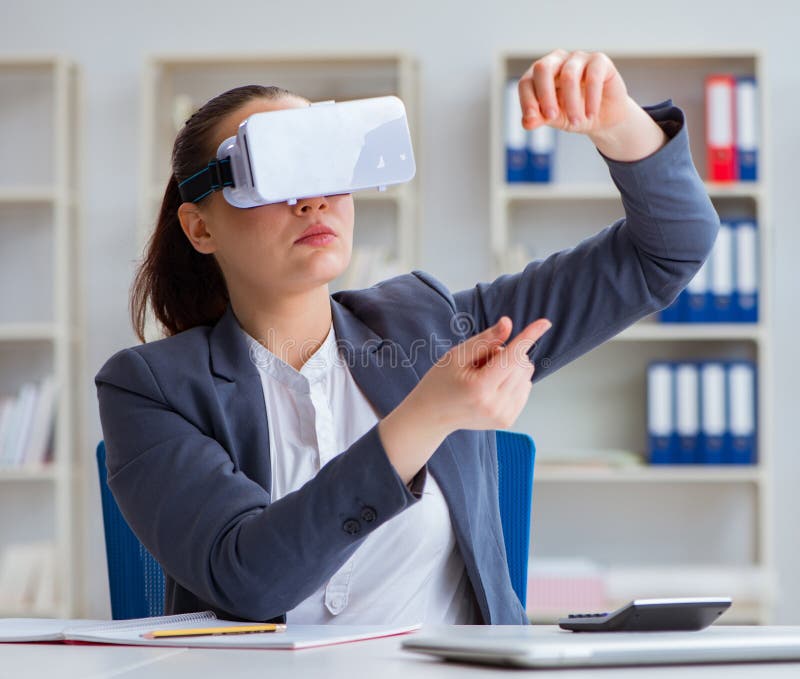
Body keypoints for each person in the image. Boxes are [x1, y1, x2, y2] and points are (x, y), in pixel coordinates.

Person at [95, 48, 719, 625]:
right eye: (273, 171)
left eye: (322, 164)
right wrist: (426, 416)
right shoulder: (148, 389)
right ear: (200, 227)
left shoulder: (431, 323)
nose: (311, 199)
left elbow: (665, 253)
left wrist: (622, 125)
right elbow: (248, 580)